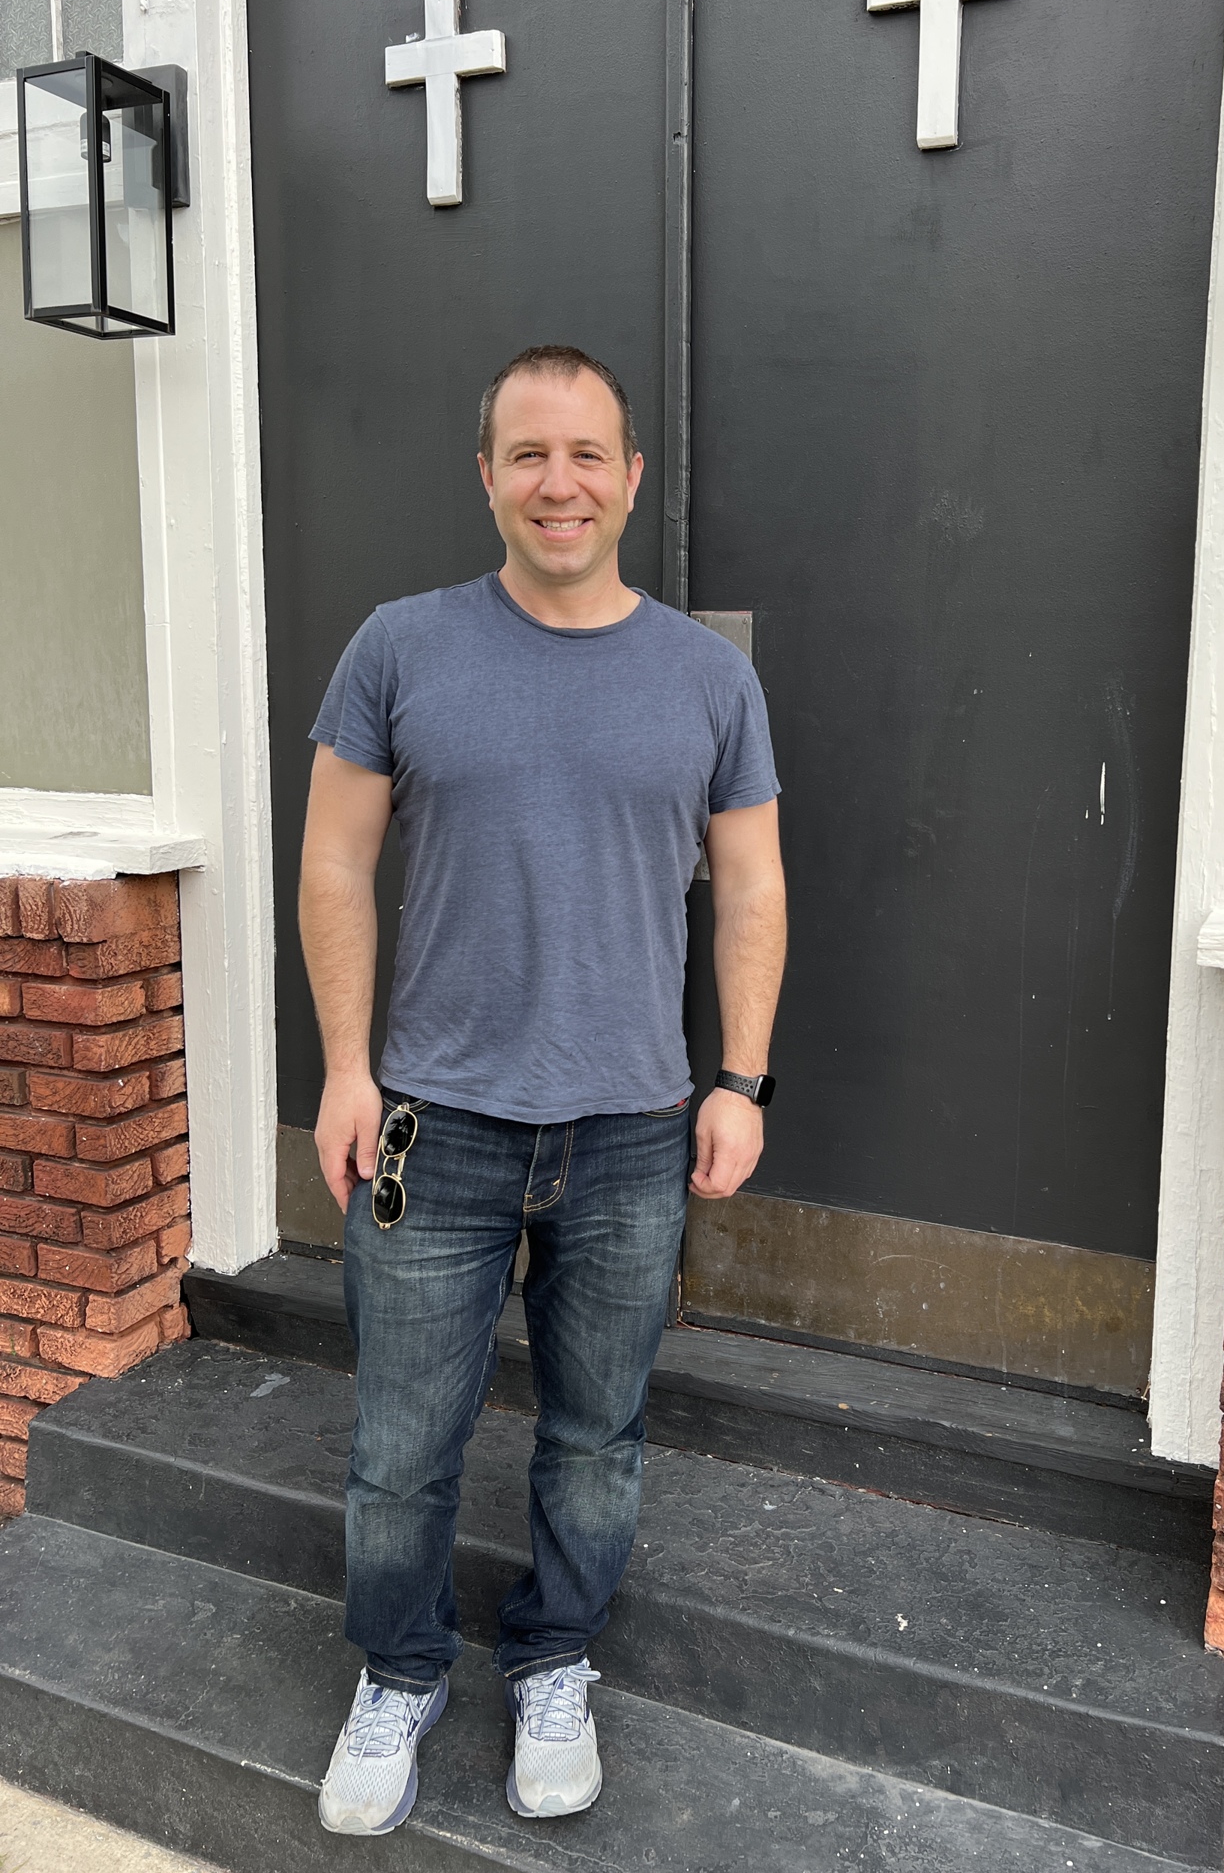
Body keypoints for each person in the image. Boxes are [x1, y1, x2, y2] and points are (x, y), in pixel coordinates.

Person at [299, 344, 785, 1834]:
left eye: (585, 454)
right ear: (489, 477)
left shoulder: (710, 677)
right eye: (528, 455)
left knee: (597, 1434)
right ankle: (398, 1672)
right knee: (398, 1445)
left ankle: (555, 1658)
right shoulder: (398, 647)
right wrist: (341, 1070)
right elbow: (334, 861)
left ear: (630, 476)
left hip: (635, 1130)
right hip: (432, 1128)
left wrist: (742, 1079)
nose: (557, 482)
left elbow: (753, 889)